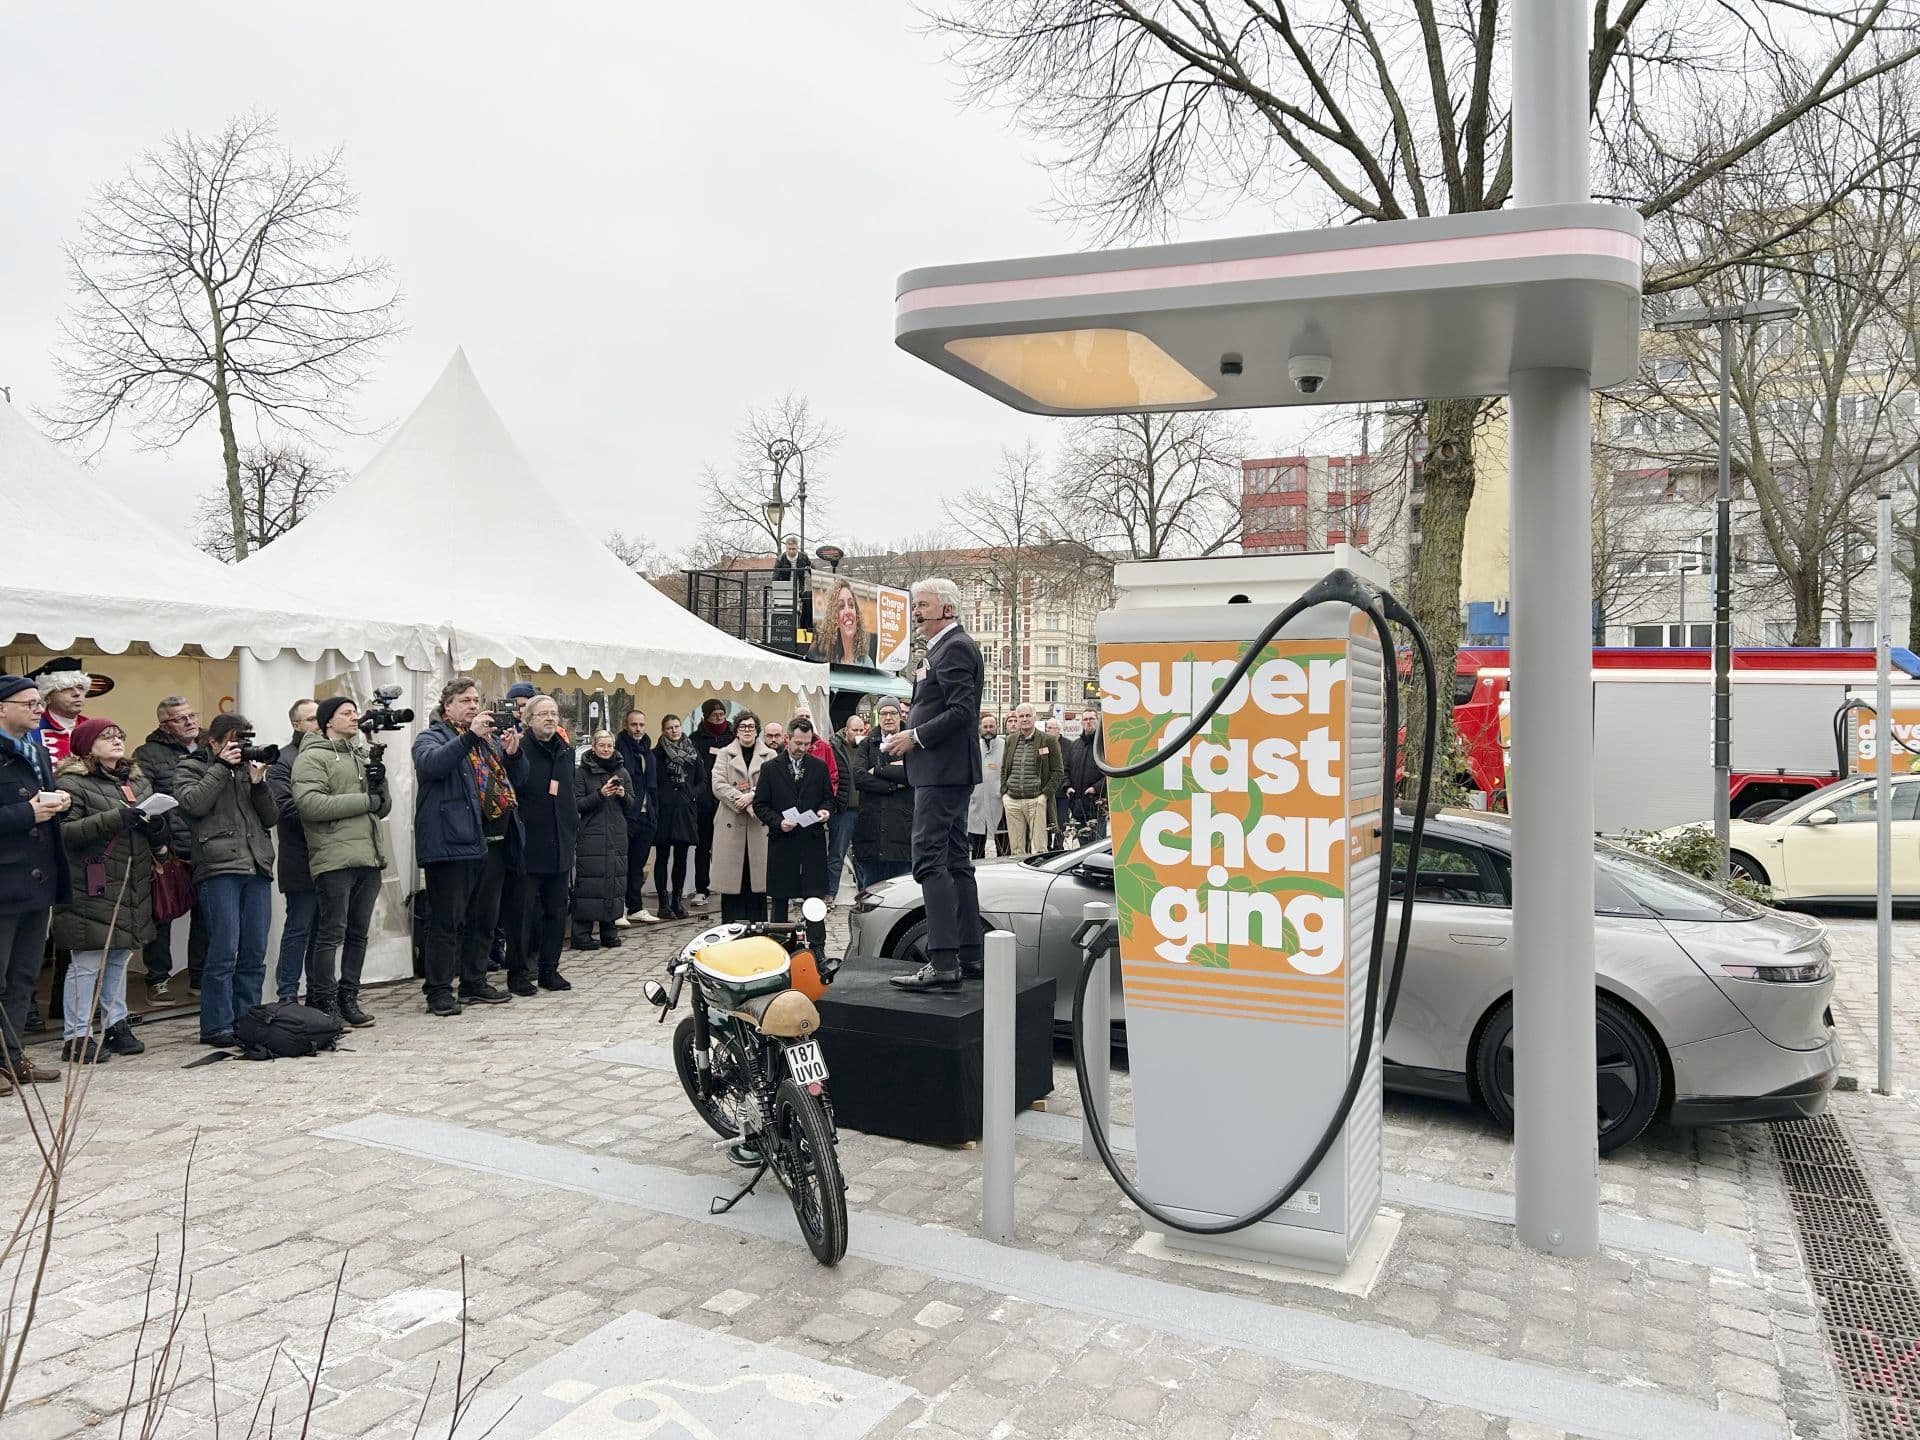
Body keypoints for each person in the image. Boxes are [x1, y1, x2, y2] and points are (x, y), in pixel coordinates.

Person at [885, 579, 986, 992]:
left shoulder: (956, 647)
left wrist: (915, 737)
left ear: (947, 608)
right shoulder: (942, 648)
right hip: (942, 771)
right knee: (956, 860)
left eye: (922, 605)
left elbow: (963, 711)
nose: (915, 613)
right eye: (914, 606)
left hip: (943, 772)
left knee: (929, 859)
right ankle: (970, 954)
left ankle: (942, 960)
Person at [411, 679, 524, 1016]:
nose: (474, 706)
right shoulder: (431, 736)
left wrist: (515, 756)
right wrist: (469, 736)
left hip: (491, 841)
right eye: (465, 701)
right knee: (446, 921)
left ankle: (474, 981)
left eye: (476, 700)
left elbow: (513, 781)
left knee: (484, 918)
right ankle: (439, 990)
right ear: (447, 706)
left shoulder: (487, 742)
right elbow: (433, 765)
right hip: (451, 842)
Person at [52, 717, 160, 1063]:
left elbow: (141, 827)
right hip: (91, 881)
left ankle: (115, 1024)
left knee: (119, 957)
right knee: (86, 962)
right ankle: (77, 1035)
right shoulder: (73, 782)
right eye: (107, 736)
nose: (116, 741)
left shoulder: (137, 781)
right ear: (87, 746)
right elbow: (66, 833)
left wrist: (157, 827)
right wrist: (116, 817)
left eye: (119, 735)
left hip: (131, 880)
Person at [174, 713, 277, 1047]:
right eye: (233, 742)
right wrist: (221, 767)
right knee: (224, 950)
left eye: (243, 742)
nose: (240, 748)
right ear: (214, 742)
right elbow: (192, 804)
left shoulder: (250, 769)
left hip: (256, 865)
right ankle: (216, 1025)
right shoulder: (190, 767)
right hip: (218, 868)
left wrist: (259, 783)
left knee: (254, 951)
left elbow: (271, 817)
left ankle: (247, 1020)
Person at [291, 697, 390, 1028]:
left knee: (359, 933)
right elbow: (310, 805)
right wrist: (366, 799)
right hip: (333, 857)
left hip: (369, 855)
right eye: (346, 713)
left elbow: (382, 807)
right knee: (331, 932)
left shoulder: (361, 755)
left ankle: (349, 996)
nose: (354, 717)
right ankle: (324, 999)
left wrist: (380, 780)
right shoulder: (312, 757)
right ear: (327, 721)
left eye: (354, 712)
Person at [0, 676, 69, 1089]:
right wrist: (28, 813)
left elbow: (42, 797)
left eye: (38, 702)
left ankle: (12, 1055)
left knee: (24, 975)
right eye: (28, 703)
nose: (37, 709)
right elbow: (22, 810)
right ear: (2, 708)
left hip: (36, 878)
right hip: (4, 880)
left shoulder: (37, 750)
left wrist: (60, 802)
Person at [134, 696, 208, 1002]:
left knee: (206, 916)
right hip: (171, 846)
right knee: (162, 916)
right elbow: (144, 800)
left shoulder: (210, 745)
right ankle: (158, 979)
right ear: (164, 725)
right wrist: (160, 845)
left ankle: (200, 977)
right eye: (181, 718)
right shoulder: (147, 754)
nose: (190, 722)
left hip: (207, 843)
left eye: (192, 715)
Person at [502, 696, 574, 992]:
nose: (550, 718)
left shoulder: (565, 751)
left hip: (560, 843)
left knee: (557, 912)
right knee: (523, 914)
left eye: (554, 713)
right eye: (543, 714)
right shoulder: (519, 749)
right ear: (528, 719)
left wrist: (572, 829)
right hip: (528, 844)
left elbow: (567, 794)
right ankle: (518, 972)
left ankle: (549, 969)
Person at [755, 717, 835, 956]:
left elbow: (829, 798)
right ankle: (777, 946)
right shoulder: (770, 768)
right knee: (780, 897)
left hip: (811, 841)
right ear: (788, 739)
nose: (802, 748)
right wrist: (779, 822)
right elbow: (760, 805)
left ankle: (818, 947)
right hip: (783, 841)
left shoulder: (818, 767)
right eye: (798, 743)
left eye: (807, 743)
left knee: (814, 896)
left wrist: (825, 811)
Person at [266, 699, 319, 1002]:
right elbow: (284, 809)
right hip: (299, 857)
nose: (317, 724)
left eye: (319, 718)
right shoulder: (283, 760)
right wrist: (329, 811)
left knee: (325, 932)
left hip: (331, 857)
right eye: (311, 719)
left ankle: (319, 992)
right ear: (296, 725)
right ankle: (287, 994)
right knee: (299, 927)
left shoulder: (333, 755)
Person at [573, 729, 634, 950]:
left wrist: (622, 795)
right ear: (594, 746)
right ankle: (581, 935)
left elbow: (632, 804)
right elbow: (578, 804)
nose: (606, 750)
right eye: (602, 745)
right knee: (589, 884)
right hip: (591, 834)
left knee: (614, 882)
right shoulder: (582, 773)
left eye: (609, 746)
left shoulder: (622, 772)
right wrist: (601, 794)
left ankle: (610, 932)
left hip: (616, 833)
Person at [709, 711, 771, 924]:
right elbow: (718, 784)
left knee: (757, 884)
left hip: (757, 823)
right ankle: (731, 929)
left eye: (751, 727)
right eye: (743, 726)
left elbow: (771, 784)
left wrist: (752, 796)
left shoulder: (769, 755)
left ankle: (757, 930)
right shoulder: (724, 755)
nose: (747, 730)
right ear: (736, 730)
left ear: (757, 730)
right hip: (731, 823)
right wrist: (740, 799)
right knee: (732, 884)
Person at [852, 701, 912, 890]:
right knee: (871, 892)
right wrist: (894, 785)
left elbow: (912, 774)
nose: (888, 717)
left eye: (892, 713)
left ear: (900, 716)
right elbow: (859, 777)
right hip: (872, 830)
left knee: (903, 893)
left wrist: (877, 770)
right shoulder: (867, 744)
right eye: (883, 713)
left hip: (903, 830)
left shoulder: (910, 743)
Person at [652, 714, 702, 920]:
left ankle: (677, 900)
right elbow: (652, 781)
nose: (674, 730)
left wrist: (691, 794)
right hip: (664, 810)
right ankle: (663, 902)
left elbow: (702, 780)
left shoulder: (691, 752)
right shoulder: (656, 754)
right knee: (662, 857)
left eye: (677, 726)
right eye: (670, 727)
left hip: (684, 810)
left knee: (681, 858)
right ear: (663, 730)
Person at [999, 704, 1064, 856]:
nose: (1024, 719)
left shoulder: (1048, 740)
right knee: (1016, 849)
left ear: (1034, 717)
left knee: (1039, 848)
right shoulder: (1010, 740)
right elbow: (1004, 769)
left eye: (1028, 716)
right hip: (1012, 800)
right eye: (1021, 716)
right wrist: (1004, 793)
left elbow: (1058, 771)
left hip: (1036, 801)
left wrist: (1044, 796)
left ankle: (1038, 877)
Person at [616, 709, 661, 924]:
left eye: (641, 725)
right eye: (634, 725)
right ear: (626, 725)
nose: (638, 729)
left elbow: (654, 787)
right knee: (621, 863)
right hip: (626, 814)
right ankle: (618, 908)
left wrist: (654, 813)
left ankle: (635, 906)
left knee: (638, 865)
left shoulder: (648, 753)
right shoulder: (619, 750)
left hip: (646, 815)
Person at [690, 698, 732, 905]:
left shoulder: (733, 737)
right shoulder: (696, 739)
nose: (718, 718)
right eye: (714, 715)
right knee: (703, 846)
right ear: (706, 716)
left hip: (728, 799)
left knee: (729, 845)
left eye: (721, 714)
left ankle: (728, 884)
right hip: (705, 801)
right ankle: (701, 888)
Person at [25, 657, 99, 767]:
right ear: (47, 697)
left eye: (80, 687)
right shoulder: (31, 728)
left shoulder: (93, 728)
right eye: (66, 688)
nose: (77, 693)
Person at [825, 713, 865, 901]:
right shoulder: (835, 747)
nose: (858, 733)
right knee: (837, 854)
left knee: (864, 854)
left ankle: (865, 892)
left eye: (861, 730)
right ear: (846, 730)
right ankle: (830, 893)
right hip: (843, 809)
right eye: (855, 730)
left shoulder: (866, 746)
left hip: (865, 808)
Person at [1064, 708, 1109, 844]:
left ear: (1098, 721)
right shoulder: (1074, 745)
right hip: (1078, 804)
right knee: (1082, 846)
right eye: (1085, 719)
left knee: (1096, 843)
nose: (1088, 722)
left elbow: (1110, 773)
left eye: (1091, 719)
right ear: (1081, 722)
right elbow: (1065, 770)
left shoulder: (1104, 745)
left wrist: (1096, 788)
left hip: (1097, 804)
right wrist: (1067, 787)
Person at [809, 579, 874, 666]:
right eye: (841, 606)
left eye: (851, 605)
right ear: (835, 619)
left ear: (857, 615)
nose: (848, 611)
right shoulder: (833, 660)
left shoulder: (866, 663)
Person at [968, 712, 1005, 860]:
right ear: (980, 728)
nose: (988, 730)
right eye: (985, 727)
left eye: (991, 726)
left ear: (997, 727)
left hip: (999, 802)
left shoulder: (1005, 745)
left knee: (1003, 845)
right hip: (977, 803)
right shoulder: (974, 746)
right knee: (976, 848)